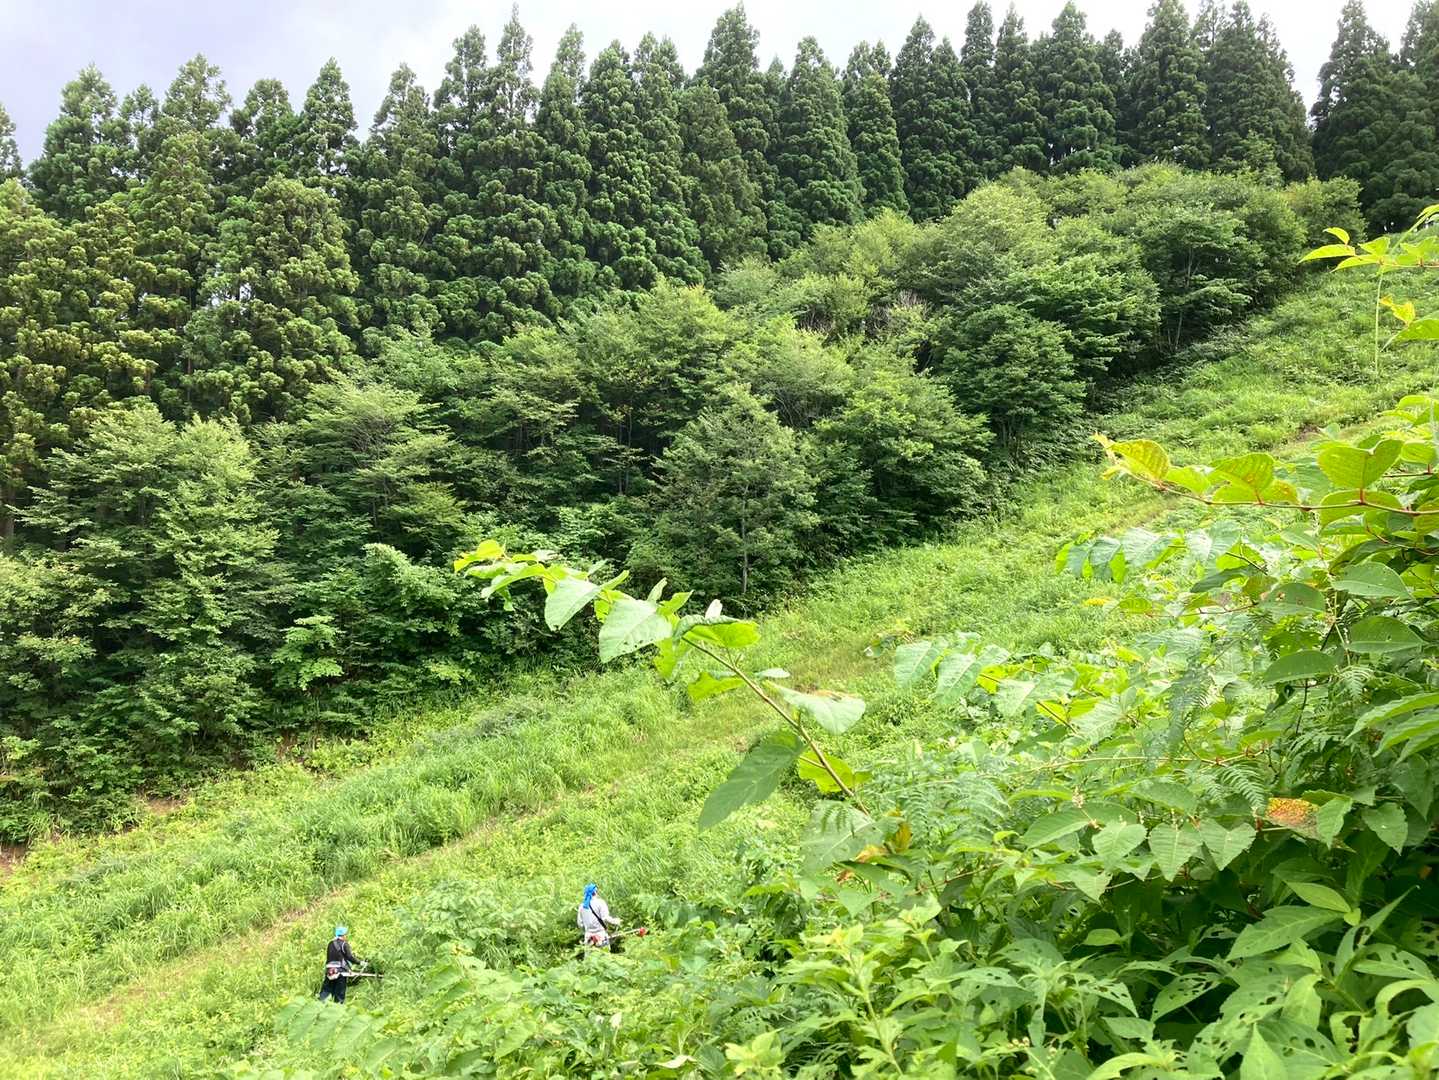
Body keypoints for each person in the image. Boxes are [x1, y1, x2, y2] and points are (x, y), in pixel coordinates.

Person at [318, 926, 360, 1003]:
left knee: (326, 991)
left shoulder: (330, 943)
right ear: (343, 935)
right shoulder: (344, 944)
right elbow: (350, 957)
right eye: (345, 934)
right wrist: (359, 962)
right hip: (340, 971)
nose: (346, 936)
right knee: (339, 993)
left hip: (330, 971)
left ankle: (319, 1005)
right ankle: (337, 1007)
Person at [577, 883, 620, 950]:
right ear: (595, 892)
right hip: (601, 936)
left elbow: (580, 924)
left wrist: (587, 930)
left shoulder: (582, 906)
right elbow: (605, 918)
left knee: (590, 956)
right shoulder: (600, 903)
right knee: (604, 954)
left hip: (588, 938)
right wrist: (616, 921)